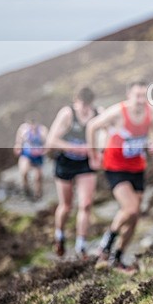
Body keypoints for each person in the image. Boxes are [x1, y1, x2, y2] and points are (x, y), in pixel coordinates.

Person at [86, 80, 153, 273]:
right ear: (129, 95)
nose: (141, 100)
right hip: (115, 166)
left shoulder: (152, 112)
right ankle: (105, 245)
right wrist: (93, 155)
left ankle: (117, 257)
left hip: (137, 167)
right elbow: (92, 127)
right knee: (130, 208)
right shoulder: (118, 112)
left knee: (134, 216)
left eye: (144, 96)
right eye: (137, 95)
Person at [45, 87, 101, 258]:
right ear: (76, 101)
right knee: (66, 206)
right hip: (66, 162)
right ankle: (59, 235)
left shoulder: (98, 113)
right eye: (81, 105)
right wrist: (76, 148)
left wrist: (97, 151)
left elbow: (107, 131)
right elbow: (52, 140)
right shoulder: (67, 114)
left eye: (87, 105)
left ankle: (80, 246)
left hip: (85, 164)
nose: (84, 109)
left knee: (85, 205)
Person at [13, 113, 48, 200]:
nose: (33, 126)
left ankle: (38, 194)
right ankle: (26, 189)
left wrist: (44, 151)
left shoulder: (43, 130)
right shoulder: (23, 129)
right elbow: (18, 142)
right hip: (26, 154)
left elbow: (48, 144)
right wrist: (18, 148)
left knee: (38, 177)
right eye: (31, 124)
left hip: (38, 155)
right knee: (24, 172)